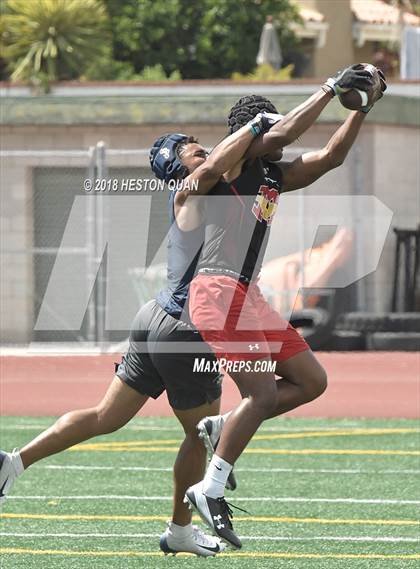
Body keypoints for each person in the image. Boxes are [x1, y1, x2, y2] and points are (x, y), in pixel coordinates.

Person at [0, 116, 271, 557]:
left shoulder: (197, 187)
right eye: (189, 145)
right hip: (185, 329)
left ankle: (12, 463)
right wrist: (259, 125)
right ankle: (181, 530)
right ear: (173, 162)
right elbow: (224, 161)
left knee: (106, 415)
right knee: (201, 435)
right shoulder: (195, 186)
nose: (200, 146)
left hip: (156, 317)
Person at [183, 68, 387, 549]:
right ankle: (209, 489)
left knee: (312, 381)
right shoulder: (228, 163)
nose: (279, 137)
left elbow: (331, 157)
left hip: (248, 296)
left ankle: (223, 426)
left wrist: (360, 109)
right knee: (263, 396)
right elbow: (286, 131)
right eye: (268, 128)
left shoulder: (271, 171)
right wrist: (330, 88)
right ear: (251, 133)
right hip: (216, 293)